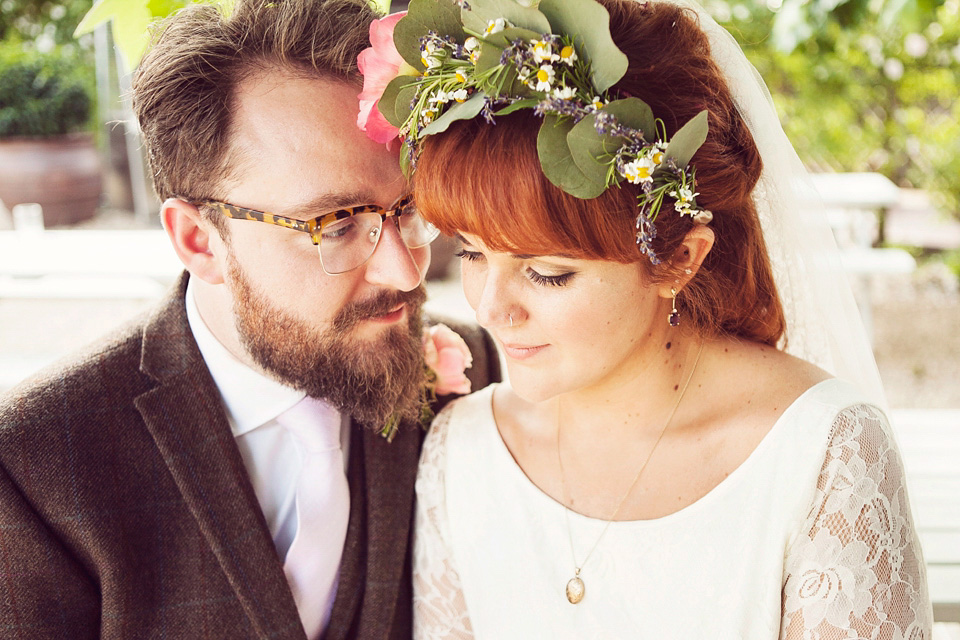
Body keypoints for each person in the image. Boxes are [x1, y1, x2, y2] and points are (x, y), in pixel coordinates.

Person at [354, 0, 933, 636]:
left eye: (549, 272)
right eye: (470, 253)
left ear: (677, 260)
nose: (491, 308)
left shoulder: (821, 455)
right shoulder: (460, 452)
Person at [0, 1, 500, 638]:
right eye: (337, 223)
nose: (406, 274)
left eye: (408, 209)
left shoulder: (475, 371)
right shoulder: (35, 469)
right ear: (200, 240)